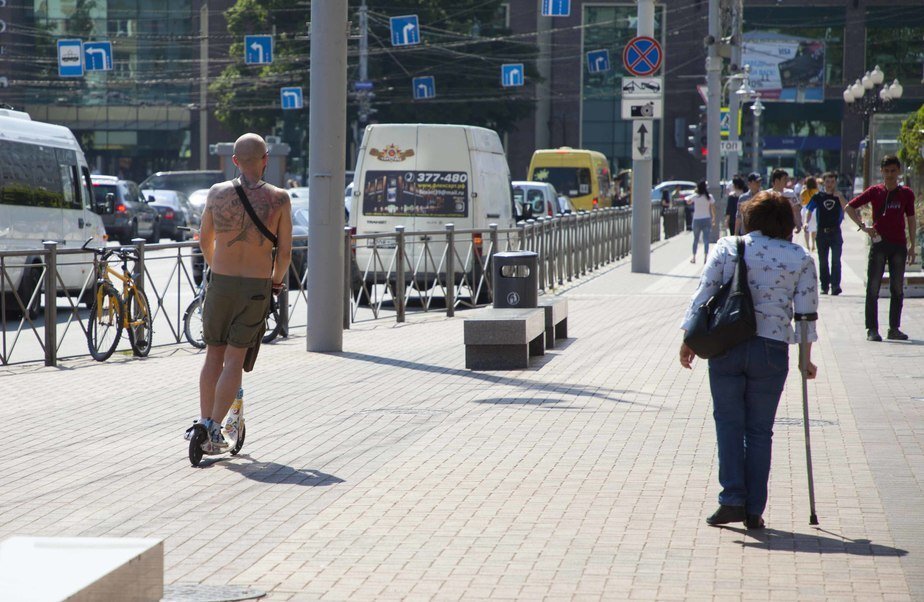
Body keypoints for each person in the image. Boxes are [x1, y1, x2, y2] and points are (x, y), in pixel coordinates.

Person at [679, 191, 819, 530]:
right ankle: (754, 508)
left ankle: (732, 499)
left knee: (728, 423)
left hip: (726, 344)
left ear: (749, 218)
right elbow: (805, 316)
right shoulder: (800, 257)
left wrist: (688, 340)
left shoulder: (729, 247)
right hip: (771, 350)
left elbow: (704, 294)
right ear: (787, 223)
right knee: (760, 431)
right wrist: (805, 359)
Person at [187, 133, 294, 451]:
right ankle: (214, 429)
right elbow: (285, 252)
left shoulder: (216, 193)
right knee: (234, 359)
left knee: (213, 354)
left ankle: (204, 422)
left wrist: (214, 267)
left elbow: (205, 238)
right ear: (266, 160)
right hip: (255, 287)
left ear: (234, 161)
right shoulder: (280, 199)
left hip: (220, 282)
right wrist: (275, 281)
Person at [845, 155, 917, 342]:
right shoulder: (875, 191)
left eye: (893, 171)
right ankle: (872, 329)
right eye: (887, 171)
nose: (890, 175)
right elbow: (849, 207)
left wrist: (912, 245)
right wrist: (864, 227)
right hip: (879, 244)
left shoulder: (906, 193)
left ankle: (894, 328)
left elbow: (911, 218)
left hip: (899, 245)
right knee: (873, 287)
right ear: (882, 172)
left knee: (897, 288)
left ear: (899, 171)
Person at [805, 172, 847, 295]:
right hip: (822, 233)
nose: (830, 184)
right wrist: (806, 223)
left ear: (835, 182)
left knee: (836, 260)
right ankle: (824, 286)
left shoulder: (839, 196)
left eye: (832, 182)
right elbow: (809, 209)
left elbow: (847, 207)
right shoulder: (818, 196)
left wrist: (840, 197)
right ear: (824, 183)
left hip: (835, 232)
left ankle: (835, 286)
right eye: (827, 182)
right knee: (823, 261)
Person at [685, 180, 716, 263]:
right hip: (707, 219)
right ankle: (705, 257)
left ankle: (694, 257)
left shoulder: (695, 196)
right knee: (706, 239)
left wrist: (694, 193)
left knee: (695, 239)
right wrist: (713, 218)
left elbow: (687, 201)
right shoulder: (709, 197)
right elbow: (713, 208)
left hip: (697, 219)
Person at [768, 168, 802, 234]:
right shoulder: (767, 194)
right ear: (777, 180)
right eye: (784, 179)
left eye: (787, 179)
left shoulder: (790, 193)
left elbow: (796, 210)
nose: (787, 181)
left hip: (786, 227)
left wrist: (798, 224)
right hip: (771, 228)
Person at [799, 176, 819, 251]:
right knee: (814, 229)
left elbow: (800, 201)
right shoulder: (816, 191)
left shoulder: (804, 191)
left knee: (806, 228)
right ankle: (813, 244)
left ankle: (807, 245)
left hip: (805, 209)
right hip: (815, 210)